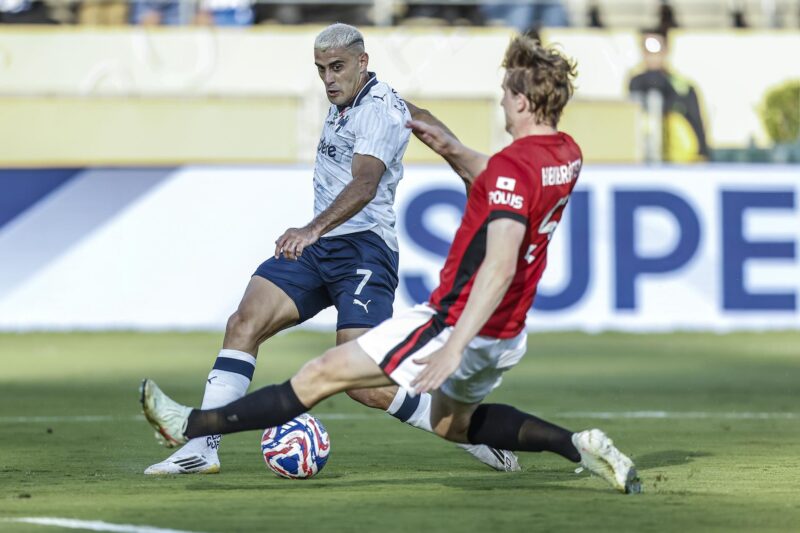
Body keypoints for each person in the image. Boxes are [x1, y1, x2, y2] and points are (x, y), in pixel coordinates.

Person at [141, 35, 641, 494]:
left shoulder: (470, 152)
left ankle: (189, 423)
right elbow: (478, 160)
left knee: (348, 383)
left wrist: (453, 347)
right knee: (248, 325)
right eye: (321, 69)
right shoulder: (565, 154)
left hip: (397, 275)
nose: (328, 78)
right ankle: (576, 445)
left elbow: (485, 254)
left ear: (524, 102)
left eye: (507, 94)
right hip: (491, 323)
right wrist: (451, 148)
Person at [628, 29, 709, 162]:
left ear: (666, 50)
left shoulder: (683, 87)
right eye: (647, 48)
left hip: (679, 161)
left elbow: (697, 126)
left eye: (656, 47)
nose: (652, 55)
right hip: (644, 159)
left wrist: (702, 156)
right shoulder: (635, 83)